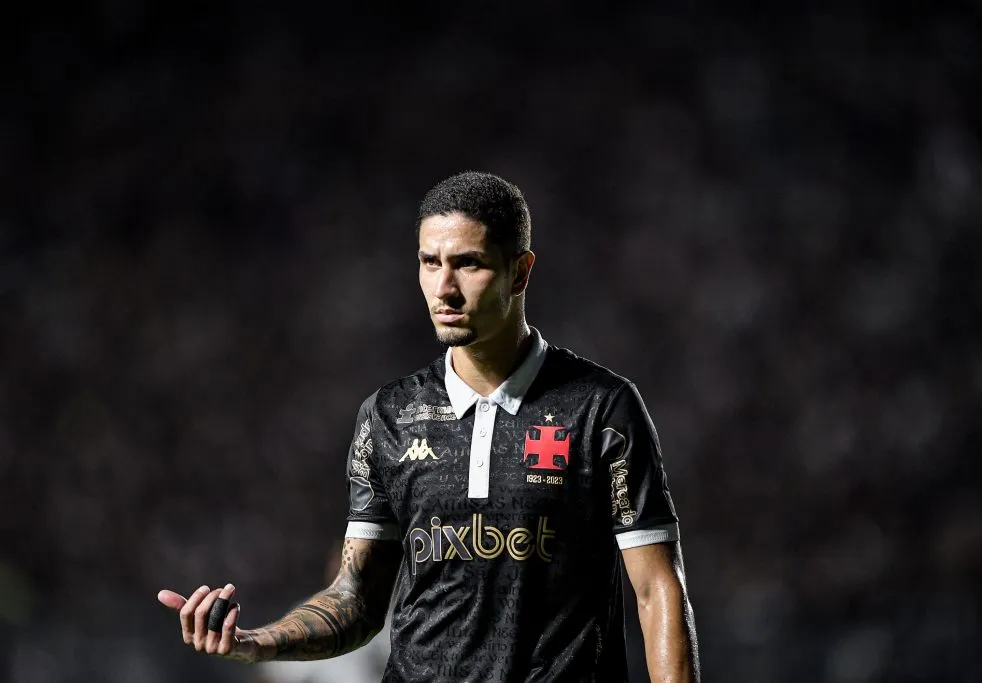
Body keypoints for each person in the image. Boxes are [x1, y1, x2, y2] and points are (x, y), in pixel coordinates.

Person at [158, 171, 700, 682]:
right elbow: (356, 599)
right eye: (428, 262)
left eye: (468, 263)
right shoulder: (388, 415)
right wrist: (255, 641)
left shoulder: (601, 409)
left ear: (521, 271)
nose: (444, 287)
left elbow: (657, 591)